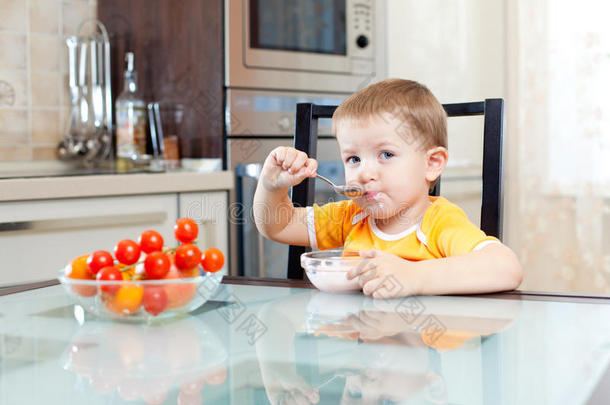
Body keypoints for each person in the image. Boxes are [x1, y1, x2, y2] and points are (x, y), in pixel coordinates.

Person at [253, 78, 523, 299]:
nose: (365, 173)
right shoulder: (350, 217)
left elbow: (506, 267)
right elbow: (279, 225)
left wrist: (414, 276)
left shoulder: (437, 222)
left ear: (431, 164)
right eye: (354, 159)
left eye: (386, 155)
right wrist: (270, 186)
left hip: (421, 351)